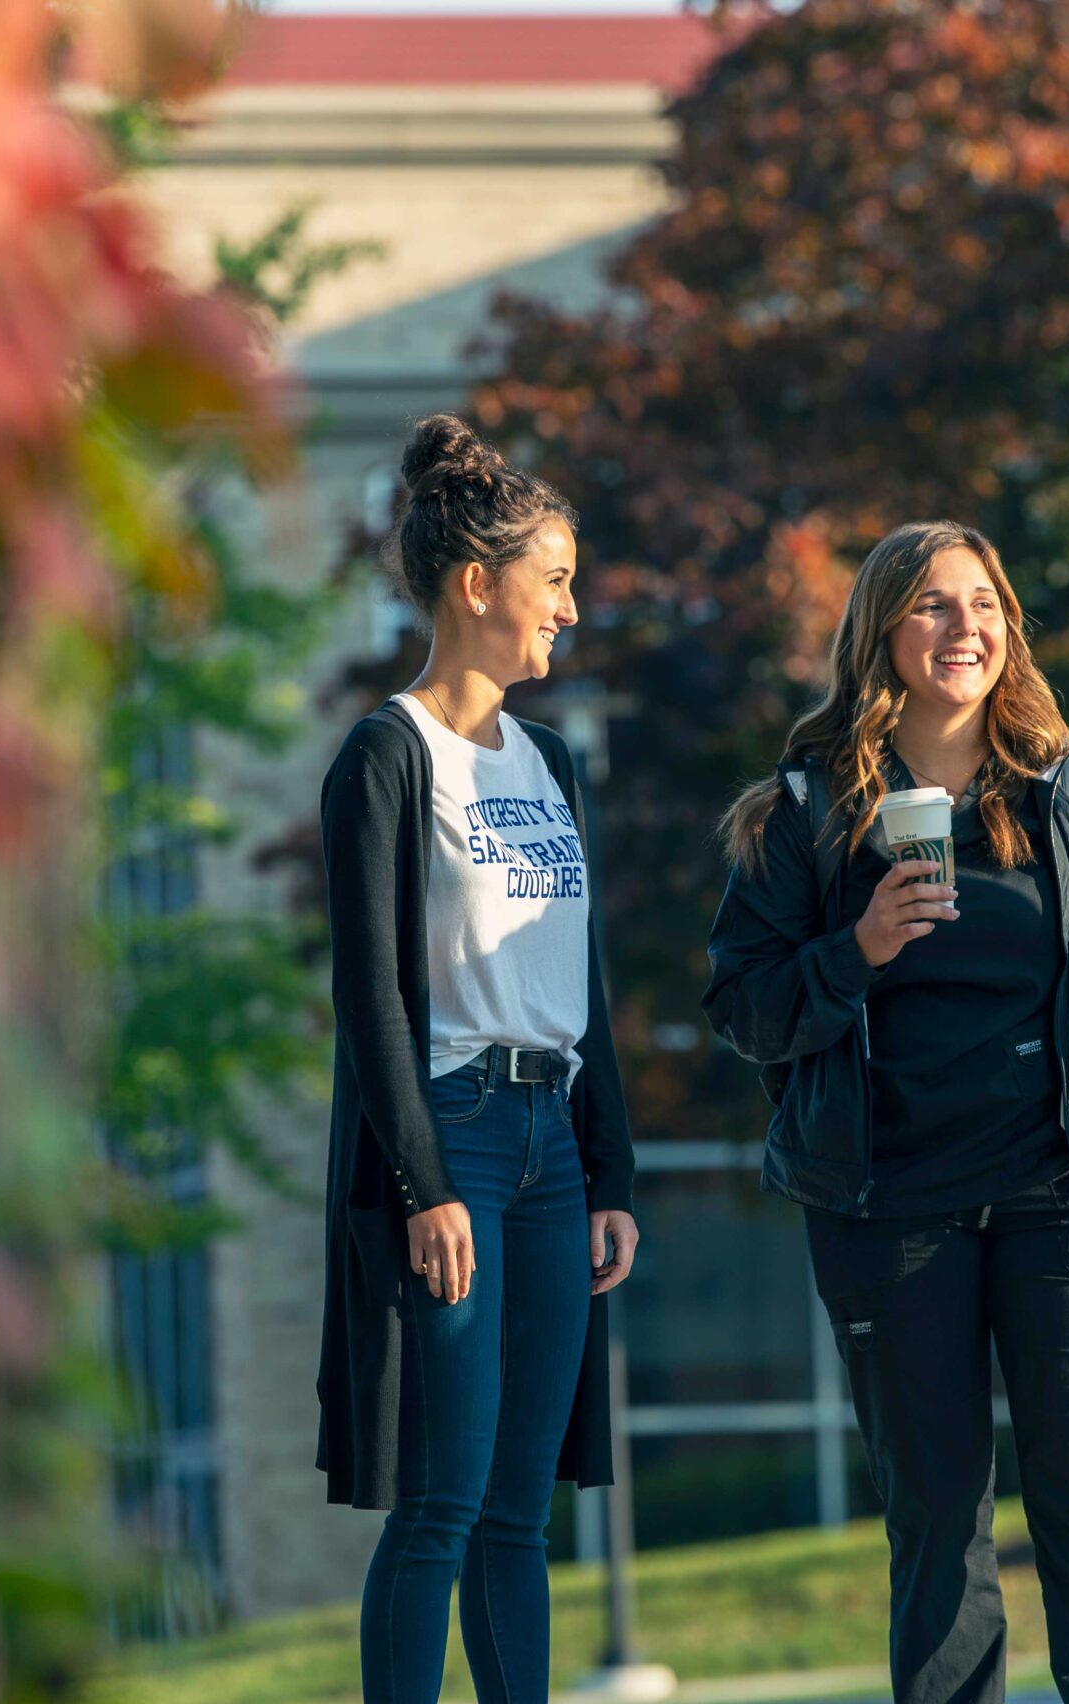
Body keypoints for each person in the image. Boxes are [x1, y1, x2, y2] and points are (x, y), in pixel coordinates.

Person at [703, 520, 1069, 1704]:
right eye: (935, 605)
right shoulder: (807, 810)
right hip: (888, 1204)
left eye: (984, 603)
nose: (965, 627)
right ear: (882, 631)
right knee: (936, 1515)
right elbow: (743, 1005)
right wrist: (856, 949)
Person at [315, 414, 642, 1704]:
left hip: (552, 1152)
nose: (570, 607)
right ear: (476, 584)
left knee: (521, 1510)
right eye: (554, 579)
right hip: (452, 1139)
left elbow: (583, 986)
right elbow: (372, 1002)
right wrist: (422, 1182)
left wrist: (606, 1169)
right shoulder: (387, 759)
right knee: (443, 1502)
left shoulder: (549, 760)